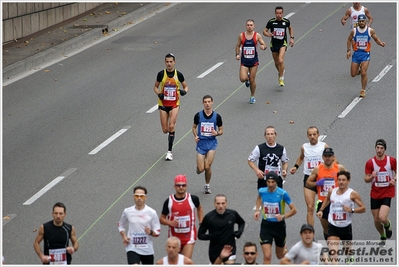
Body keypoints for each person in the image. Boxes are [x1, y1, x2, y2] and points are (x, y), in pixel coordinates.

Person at [316, 171, 366, 264]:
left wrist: (351, 210)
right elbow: (327, 199)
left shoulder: (352, 194)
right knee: (333, 255)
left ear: (348, 181)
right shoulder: (332, 191)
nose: (341, 182)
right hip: (333, 227)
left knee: (347, 251)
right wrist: (321, 210)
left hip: (346, 227)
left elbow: (363, 208)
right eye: (339, 180)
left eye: (343, 180)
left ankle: (349, 256)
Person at [289, 126, 330, 226]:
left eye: (314, 134)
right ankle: (310, 232)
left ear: (318, 135)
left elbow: (333, 160)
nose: (312, 136)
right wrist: (295, 166)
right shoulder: (304, 147)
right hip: (309, 179)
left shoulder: (324, 146)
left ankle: (328, 229)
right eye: (310, 135)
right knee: (310, 207)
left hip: (322, 179)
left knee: (325, 206)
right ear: (307, 136)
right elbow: (301, 157)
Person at [254, 171, 297, 264]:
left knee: (280, 255)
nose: (270, 184)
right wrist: (257, 210)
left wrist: (283, 216)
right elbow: (258, 198)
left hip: (279, 227)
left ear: (276, 182)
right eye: (268, 182)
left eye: (272, 182)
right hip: (266, 225)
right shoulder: (262, 191)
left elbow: (294, 210)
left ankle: (286, 252)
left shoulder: (282, 194)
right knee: (267, 256)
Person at [306, 148, 347, 241]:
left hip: (336, 201)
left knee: (338, 226)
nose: (327, 158)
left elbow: (347, 178)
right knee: (326, 229)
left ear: (333, 157)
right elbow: (308, 183)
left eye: (329, 156)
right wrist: (317, 183)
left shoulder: (339, 168)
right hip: (322, 202)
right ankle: (330, 247)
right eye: (326, 156)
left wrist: (342, 187)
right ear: (323, 157)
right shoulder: (318, 169)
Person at [153, 53, 189, 161]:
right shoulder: (161, 74)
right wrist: (159, 93)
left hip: (174, 104)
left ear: (174, 62)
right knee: (165, 130)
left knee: (172, 126)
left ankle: (169, 152)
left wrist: (184, 92)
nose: (169, 64)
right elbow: (155, 87)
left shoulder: (179, 74)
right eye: (167, 62)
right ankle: (170, 134)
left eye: (171, 62)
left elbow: (186, 86)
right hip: (163, 104)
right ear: (165, 62)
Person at [160, 174, 204, 258]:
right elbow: (161, 219)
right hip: (174, 238)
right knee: (175, 262)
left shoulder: (193, 199)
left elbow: (200, 208)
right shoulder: (169, 201)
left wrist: (201, 222)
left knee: (186, 262)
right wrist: (170, 222)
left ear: (186, 186)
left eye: (183, 185)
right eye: (178, 185)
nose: (181, 187)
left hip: (189, 236)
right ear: (174, 186)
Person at [364, 139, 397, 246]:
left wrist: (394, 180)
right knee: (377, 219)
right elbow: (366, 179)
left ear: (384, 150)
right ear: (375, 148)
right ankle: (382, 235)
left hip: (387, 192)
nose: (379, 150)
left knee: (382, 217)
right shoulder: (370, 162)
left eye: (381, 148)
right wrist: (371, 176)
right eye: (377, 148)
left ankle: (388, 225)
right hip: (375, 193)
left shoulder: (391, 160)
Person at [118, 186, 161, 265]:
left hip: (147, 249)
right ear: (133, 197)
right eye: (136, 196)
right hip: (132, 248)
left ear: (145, 197)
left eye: (141, 196)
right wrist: (124, 237)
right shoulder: (127, 211)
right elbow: (121, 225)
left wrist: (150, 232)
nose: (139, 198)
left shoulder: (152, 212)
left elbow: (157, 232)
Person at [198, 194, 245, 264]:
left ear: (226, 204)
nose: (220, 206)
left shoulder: (232, 214)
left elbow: (241, 222)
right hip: (215, 251)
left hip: (230, 249)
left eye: (223, 203)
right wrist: (212, 236)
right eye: (218, 203)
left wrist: (239, 232)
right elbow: (200, 235)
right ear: (214, 204)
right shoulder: (209, 217)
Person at [346, 14, 385, 98]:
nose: (361, 22)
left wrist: (381, 43)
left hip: (365, 54)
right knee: (353, 74)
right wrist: (348, 50)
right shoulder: (354, 31)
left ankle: (363, 90)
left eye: (363, 21)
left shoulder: (370, 30)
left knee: (364, 73)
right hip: (356, 54)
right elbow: (349, 39)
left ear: (366, 21)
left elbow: (376, 39)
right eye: (359, 21)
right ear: (358, 22)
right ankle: (358, 69)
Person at [192, 95, 223, 194]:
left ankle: (207, 185)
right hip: (201, 144)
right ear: (203, 103)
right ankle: (198, 168)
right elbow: (193, 128)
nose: (207, 103)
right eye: (205, 102)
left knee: (207, 166)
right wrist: (196, 135)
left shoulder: (217, 116)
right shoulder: (198, 115)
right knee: (201, 168)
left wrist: (217, 133)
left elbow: (221, 130)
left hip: (211, 143)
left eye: (209, 101)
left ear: (212, 102)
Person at [235, 19, 267, 104]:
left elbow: (264, 44)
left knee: (252, 80)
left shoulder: (257, 35)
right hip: (244, 61)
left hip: (254, 62)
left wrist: (263, 47)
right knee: (242, 79)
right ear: (246, 26)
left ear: (254, 26)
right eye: (248, 25)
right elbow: (238, 46)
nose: (249, 27)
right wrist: (237, 54)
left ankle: (252, 96)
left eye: (251, 25)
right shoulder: (241, 36)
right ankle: (246, 78)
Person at [263, 6, 294, 87]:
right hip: (274, 44)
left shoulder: (286, 21)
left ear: (282, 13)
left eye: (280, 13)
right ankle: (280, 72)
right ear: (275, 13)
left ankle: (281, 77)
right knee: (276, 62)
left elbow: (290, 28)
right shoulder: (271, 22)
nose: (279, 15)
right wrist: (268, 34)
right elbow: (264, 31)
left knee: (280, 60)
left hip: (282, 43)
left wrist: (292, 38)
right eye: (277, 13)